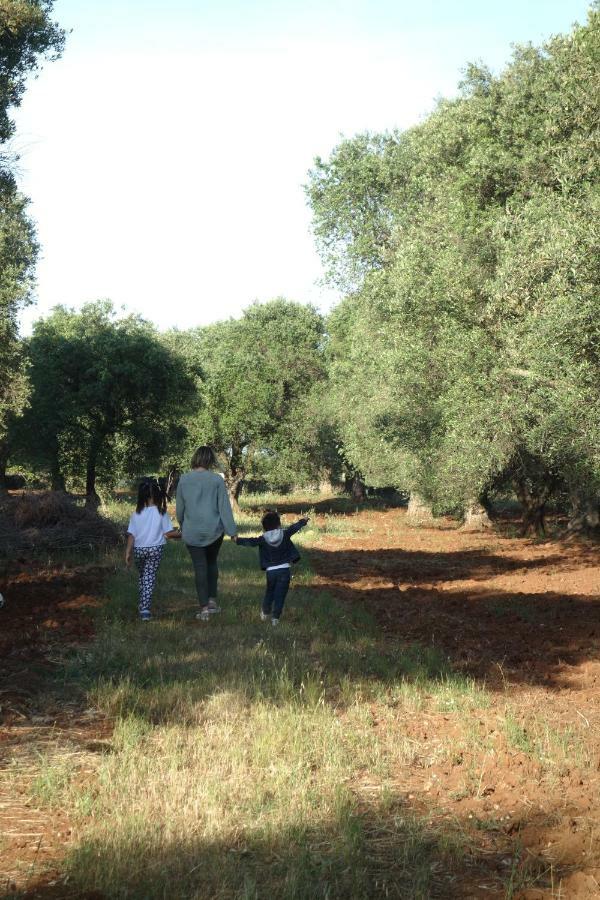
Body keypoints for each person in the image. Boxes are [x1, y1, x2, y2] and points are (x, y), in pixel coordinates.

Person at [176, 446, 238, 621]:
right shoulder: (216, 480)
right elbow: (224, 508)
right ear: (210, 460)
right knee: (211, 564)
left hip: (192, 532)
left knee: (199, 568)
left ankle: (203, 609)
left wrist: (182, 525)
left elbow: (180, 509)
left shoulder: (184, 479)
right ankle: (212, 602)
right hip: (214, 532)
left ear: (195, 458)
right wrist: (232, 531)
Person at [234, 511, 309, 626]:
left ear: (264, 528)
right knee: (280, 595)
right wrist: (303, 521)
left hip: (271, 572)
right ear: (279, 524)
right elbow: (294, 528)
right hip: (284, 570)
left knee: (270, 592)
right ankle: (275, 618)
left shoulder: (263, 539)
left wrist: (237, 540)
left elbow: (251, 542)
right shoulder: (285, 533)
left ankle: (265, 611)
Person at [126, 477, 181, 621]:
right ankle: (145, 610)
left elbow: (132, 535)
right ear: (158, 495)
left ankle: (142, 602)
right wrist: (181, 534)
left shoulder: (136, 514)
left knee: (143, 576)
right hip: (155, 550)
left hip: (139, 550)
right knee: (149, 578)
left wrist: (127, 552)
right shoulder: (161, 512)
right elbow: (168, 534)